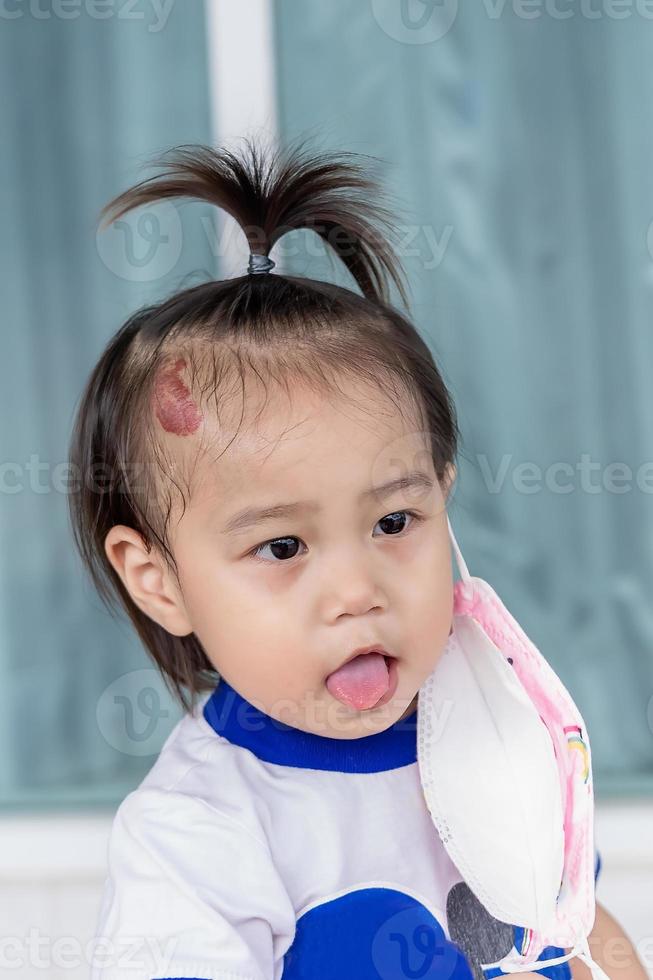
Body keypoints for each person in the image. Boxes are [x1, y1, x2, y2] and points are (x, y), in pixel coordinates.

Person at [69, 137, 647, 980]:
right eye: (282, 546)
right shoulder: (201, 830)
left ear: (443, 498)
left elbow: (584, 928)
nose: (356, 590)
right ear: (159, 581)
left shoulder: (495, 723)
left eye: (394, 522)